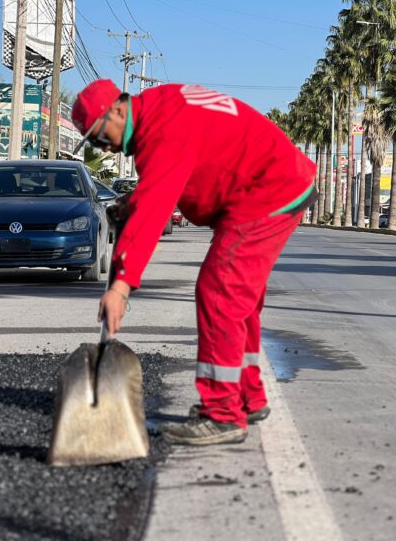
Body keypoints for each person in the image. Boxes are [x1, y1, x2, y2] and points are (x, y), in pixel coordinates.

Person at [71, 80, 316, 446]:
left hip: (268, 189)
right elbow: (174, 173)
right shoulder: (160, 107)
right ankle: (247, 397)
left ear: (118, 111)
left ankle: (222, 414)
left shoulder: (162, 132)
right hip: (272, 184)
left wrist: (121, 287)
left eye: (97, 136)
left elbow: (154, 211)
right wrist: (135, 200)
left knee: (220, 292)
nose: (100, 147)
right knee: (238, 299)